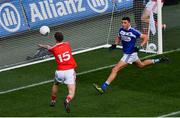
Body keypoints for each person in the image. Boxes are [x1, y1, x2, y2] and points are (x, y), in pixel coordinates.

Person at [93, 17, 168, 94]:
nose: (123, 24)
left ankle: (103, 87)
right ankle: (159, 60)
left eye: (125, 23)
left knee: (115, 69)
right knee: (141, 65)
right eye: (122, 22)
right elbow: (118, 37)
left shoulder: (134, 31)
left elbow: (146, 37)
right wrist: (115, 45)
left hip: (130, 54)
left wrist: (140, 46)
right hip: (130, 54)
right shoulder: (121, 30)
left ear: (129, 23)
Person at [38, 32, 77, 113]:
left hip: (59, 72)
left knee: (56, 84)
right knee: (71, 92)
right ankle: (67, 100)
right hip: (69, 71)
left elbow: (49, 47)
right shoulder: (67, 44)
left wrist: (42, 45)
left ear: (55, 39)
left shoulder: (53, 49)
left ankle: (53, 101)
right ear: (63, 38)